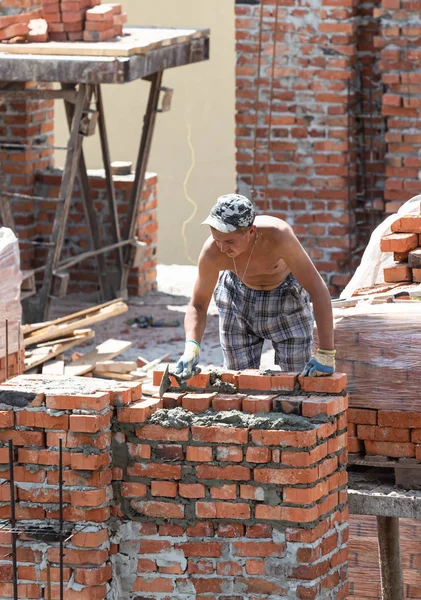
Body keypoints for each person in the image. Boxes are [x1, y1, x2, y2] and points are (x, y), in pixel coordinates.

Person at [176, 194, 335, 380]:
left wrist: (326, 353)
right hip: (237, 298)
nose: (222, 248)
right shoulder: (212, 252)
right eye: (216, 238)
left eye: (229, 242)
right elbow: (198, 304)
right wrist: (191, 347)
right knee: (238, 380)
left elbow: (318, 290)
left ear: (251, 231)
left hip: (285, 299)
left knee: (298, 380)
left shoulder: (278, 236)